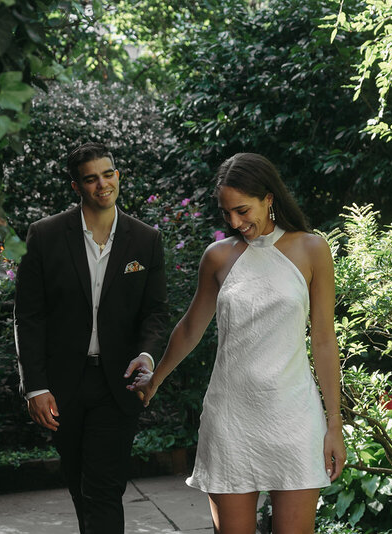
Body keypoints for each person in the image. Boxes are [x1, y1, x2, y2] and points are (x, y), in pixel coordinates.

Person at [129, 152, 346, 533]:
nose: (235, 222)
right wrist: (156, 379)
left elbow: (325, 340)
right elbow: (191, 328)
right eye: (227, 213)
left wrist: (334, 423)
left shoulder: (312, 250)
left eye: (243, 210)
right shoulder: (218, 257)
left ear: (269, 198)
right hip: (230, 418)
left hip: (294, 415)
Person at [14, 142, 168, 533]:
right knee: (82, 487)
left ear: (118, 175)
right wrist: (35, 387)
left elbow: (155, 313)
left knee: (103, 487)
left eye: (108, 173)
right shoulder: (45, 236)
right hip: (63, 386)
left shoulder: (145, 239)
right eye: (91, 178)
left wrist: (148, 358)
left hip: (117, 383)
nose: (103, 184)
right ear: (76, 187)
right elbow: (28, 316)